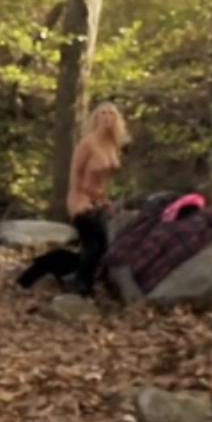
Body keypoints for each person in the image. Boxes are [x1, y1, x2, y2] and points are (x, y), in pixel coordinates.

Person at [66, 102, 131, 296]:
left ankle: (81, 278)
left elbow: (105, 179)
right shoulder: (88, 143)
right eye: (103, 113)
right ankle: (81, 286)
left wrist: (105, 200)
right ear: (96, 118)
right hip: (81, 198)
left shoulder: (113, 145)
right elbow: (75, 173)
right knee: (95, 242)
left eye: (111, 113)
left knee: (101, 245)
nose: (107, 117)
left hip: (99, 200)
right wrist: (81, 199)